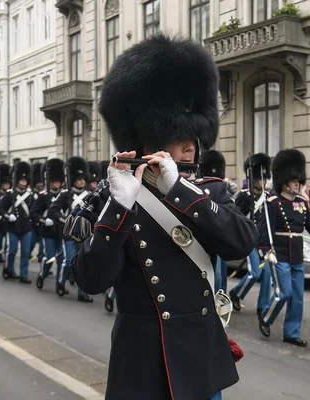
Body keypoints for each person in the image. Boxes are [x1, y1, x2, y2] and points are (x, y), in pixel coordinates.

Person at [70, 34, 256, 400]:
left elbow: (241, 243)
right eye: (178, 133)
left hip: (200, 357)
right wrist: (119, 209)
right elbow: (91, 280)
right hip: (141, 362)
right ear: (148, 137)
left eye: (195, 134)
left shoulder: (210, 192)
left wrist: (181, 191)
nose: (191, 144)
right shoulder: (110, 198)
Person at [259, 149, 310, 344]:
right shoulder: (273, 203)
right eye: (294, 182)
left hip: (296, 255)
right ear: (284, 181)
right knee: (284, 293)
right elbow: (264, 230)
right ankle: (266, 318)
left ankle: (291, 333)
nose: (298, 185)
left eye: (299, 182)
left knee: (297, 297)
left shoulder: (301, 203)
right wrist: (266, 252)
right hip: (280, 254)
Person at [229, 153, 272, 317]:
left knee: (267, 274)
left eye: (265, 178)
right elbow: (237, 217)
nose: (263, 181)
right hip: (250, 240)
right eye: (261, 178)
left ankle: (262, 307)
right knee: (256, 272)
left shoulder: (267, 197)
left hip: (264, 242)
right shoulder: (244, 196)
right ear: (254, 178)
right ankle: (236, 293)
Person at [49, 157, 93, 302]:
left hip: (85, 234)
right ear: (73, 179)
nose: (82, 181)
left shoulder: (90, 196)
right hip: (69, 233)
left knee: (83, 265)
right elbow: (53, 211)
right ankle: (60, 283)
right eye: (79, 179)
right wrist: (63, 219)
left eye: (83, 179)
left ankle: (82, 292)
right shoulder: (66, 195)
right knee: (68, 261)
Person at [32, 158, 66, 292]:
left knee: (62, 259)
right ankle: (42, 275)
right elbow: (33, 213)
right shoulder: (43, 196)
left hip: (62, 230)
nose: (56, 184)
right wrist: (43, 220)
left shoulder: (65, 195)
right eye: (54, 181)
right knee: (49, 257)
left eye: (58, 181)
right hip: (47, 232)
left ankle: (60, 284)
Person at [0, 161, 34, 283]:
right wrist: (8, 216)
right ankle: (9, 269)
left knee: (25, 252)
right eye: (21, 180)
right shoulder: (10, 194)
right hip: (12, 227)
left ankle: (24, 275)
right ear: (17, 180)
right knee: (11, 251)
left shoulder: (30, 195)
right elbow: (0, 208)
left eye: (25, 180)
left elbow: (34, 210)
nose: (23, 182)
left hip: (26, 227)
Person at [199, 150, 230, 292]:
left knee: (222, 277)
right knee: (215, 276)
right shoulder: (199, 188)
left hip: (221, 237)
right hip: (206, 238)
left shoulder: (222, 189)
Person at [29, 162, 45, 263]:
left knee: (43, 243)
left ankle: (41, 257)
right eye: (39, 182)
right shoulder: (31, 194)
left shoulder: (45, 194)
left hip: (42, 222)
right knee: (31, 242)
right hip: (32, 223)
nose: (41, 184)